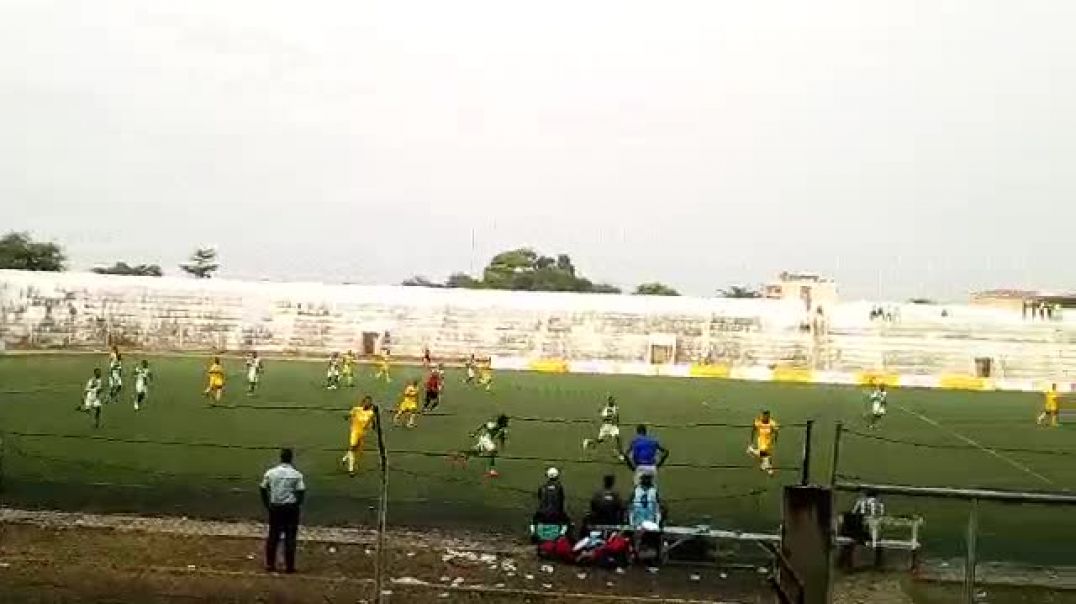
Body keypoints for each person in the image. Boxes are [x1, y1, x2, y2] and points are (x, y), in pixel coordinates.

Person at [260, 448, 306, 574]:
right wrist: (297, 504)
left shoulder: (271, 473)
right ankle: (289, 566)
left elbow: (263, 488)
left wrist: (267, 504)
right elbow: (301, 491)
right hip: (290, 508)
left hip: (275, 507)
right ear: (291, 458)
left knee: (273, 535)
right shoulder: (296, 474)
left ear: (281, 458)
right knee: (290, 537)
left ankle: (270, 564)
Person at [342, 396, 376, 476]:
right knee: (352, 446)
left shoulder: (371, 413)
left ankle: (345, 458)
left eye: (369, 403)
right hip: (355, 431)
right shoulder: (356, 410)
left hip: (363, 433)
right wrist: (347, 416)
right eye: (366, 402)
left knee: (356, 450)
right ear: (363, 402)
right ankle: (351, 469)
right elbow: (349, 415)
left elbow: (372, 421)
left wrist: (374, 427)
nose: (367, 404)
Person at [747, 410, 779, 476]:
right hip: (761, 442)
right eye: (764, 415)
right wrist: (751, 440)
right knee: (764, 454)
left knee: (767, 456)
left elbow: (776, 431)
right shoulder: (758, 422)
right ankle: (769, 469)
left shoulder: (772, 423)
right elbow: (753, 430)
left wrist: (775, 438)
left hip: (769, 442)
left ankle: (752, 451)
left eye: (767, 415)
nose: (765, 417)